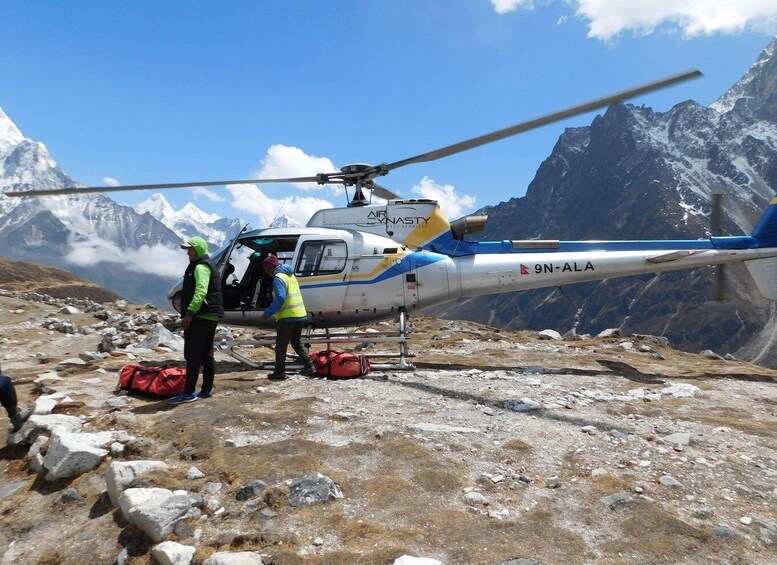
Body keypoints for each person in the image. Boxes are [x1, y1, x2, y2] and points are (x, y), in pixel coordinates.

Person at [168, 236, 225, 404]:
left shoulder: (200, 268)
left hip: (200, 316)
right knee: (206, 354)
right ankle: (206, 390)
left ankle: (188, 392)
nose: (188, 253)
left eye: (190, 249)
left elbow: (200, 292)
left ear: (198, 250)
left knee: (192, 354)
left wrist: (189, 314)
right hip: (210, 316)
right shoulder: (208, 265)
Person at [260, 255, 316, 380]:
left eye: (267, 270)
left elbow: (280, 298)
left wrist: (268, 312)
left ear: (272, 267)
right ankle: (309, 366)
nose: (266, 272)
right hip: (300, 314)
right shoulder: (290, 276)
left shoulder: (278, 278)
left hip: (288, 317)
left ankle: (279, 372)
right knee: (296, 342)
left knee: (281, 346)